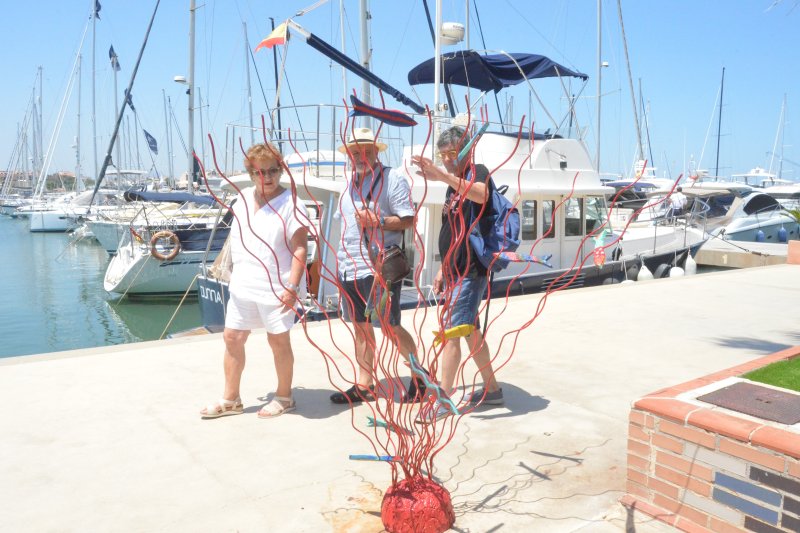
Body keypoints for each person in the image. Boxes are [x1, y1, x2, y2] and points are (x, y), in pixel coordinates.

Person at [200, 142, 309, 419]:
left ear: (280, 171)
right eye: (260, 172)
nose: (267, 177)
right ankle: (231, 398)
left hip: (278, 284)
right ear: (251, 173)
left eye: (272, 170)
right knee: (232, 337)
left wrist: (293, 287)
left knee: (278, 341)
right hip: (244, 282)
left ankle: (285, 396)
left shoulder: (292, 203)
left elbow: (299, 249)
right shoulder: (243, 198)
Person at [411, 126, 503, 420]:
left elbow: (480, 195)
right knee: (470, 332)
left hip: (470, 271)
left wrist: (443, 175)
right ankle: (492, 389)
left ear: (466, 150)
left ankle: (443, 400)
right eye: (443, 156)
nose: (448, 160)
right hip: (453, 270)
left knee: (451, 334)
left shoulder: (479, 172)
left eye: (452, 154)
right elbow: (451, 231)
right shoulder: (453, 186)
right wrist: (441, 268)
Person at [331, 127, 425, 404]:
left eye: (367, 151)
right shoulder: (347, 185)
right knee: (360, 326)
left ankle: (419, 379)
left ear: (376, 153)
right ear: (349, 155)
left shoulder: (393, 179)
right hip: (349, 266)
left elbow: (409, 220)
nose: (361, 156)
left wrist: (379, 221)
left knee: (390, 326)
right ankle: (365, 384)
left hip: (379, 266)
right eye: (355, 152)